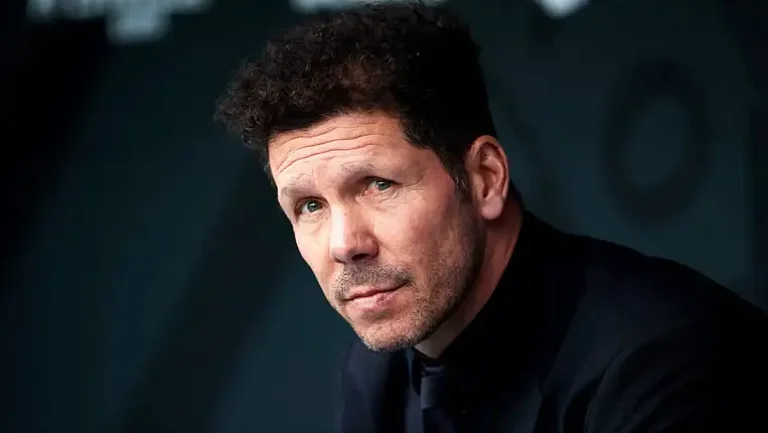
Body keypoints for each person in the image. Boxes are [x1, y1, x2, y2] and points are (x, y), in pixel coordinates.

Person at [214, 3, 768, 432]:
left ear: (484, 178)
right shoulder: (376, 370)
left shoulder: (664, 362)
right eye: (310, 206)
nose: (344, 244)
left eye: (379, 184)